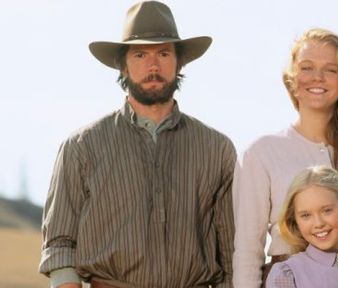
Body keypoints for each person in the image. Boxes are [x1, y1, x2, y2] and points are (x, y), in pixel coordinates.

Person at [38, 1, 236, 287]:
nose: (153, 65)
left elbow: (230, 252)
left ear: (180, 61)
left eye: (164, 53)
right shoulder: (81, 146)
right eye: (140, 54)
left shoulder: (217, 149)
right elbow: (59, 245)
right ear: (122, 64)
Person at [232, 28, 338, 287]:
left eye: (330, 69)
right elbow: (247, 251)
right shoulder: (261, 153)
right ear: (292, 80)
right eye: (307, 68)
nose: (317, 77)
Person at [265, 166, 338, 288]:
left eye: (326, 211)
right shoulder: (286, 274)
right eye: (305, 215)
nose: (318, 223)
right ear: (296, 220)